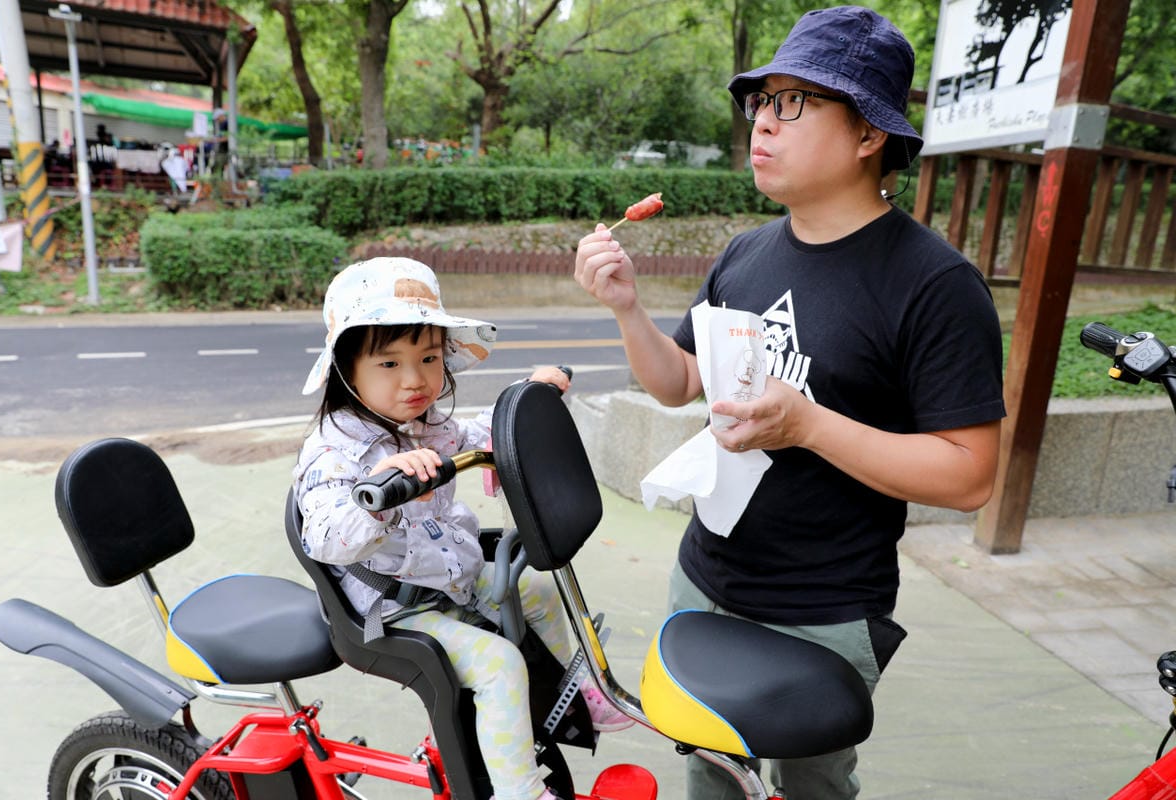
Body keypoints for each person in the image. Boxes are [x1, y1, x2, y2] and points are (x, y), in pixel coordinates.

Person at [574, 6, 1005, 799]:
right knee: (710, 775)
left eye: (793, 103)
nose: (761, 125)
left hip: (827, 609)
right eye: (759, 103)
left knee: (814, 787)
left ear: (870, 134)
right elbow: (677, 382)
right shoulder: (747, 253)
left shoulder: (935, 285)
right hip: (704, 581)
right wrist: (627, 308)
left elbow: (970, 475)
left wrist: (808, 424)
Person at [292, 257, 631, 800]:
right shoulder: (334, 451)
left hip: (449, 576)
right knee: (498, 664)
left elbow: (480, 436)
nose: (416, 379)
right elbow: (326, 538)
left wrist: (525, 399)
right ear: (346, 370)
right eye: (389, 363)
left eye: (428, 357)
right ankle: (519, 790)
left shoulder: (424, 424)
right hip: (394, 609)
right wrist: (379, 497)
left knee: (539, 588)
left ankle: (578, 689)